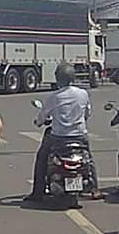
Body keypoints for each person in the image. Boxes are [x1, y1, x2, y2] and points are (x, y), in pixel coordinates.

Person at [26, 63, 99, 204]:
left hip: (58, 137)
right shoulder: (83, 94)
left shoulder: (54, 96)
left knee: (42, 158)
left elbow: (42, 117)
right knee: (88, 158)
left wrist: (38, 122)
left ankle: (37, 192)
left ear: (58, 78)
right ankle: (95, 189)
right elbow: (87, 113)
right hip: (80, 136)